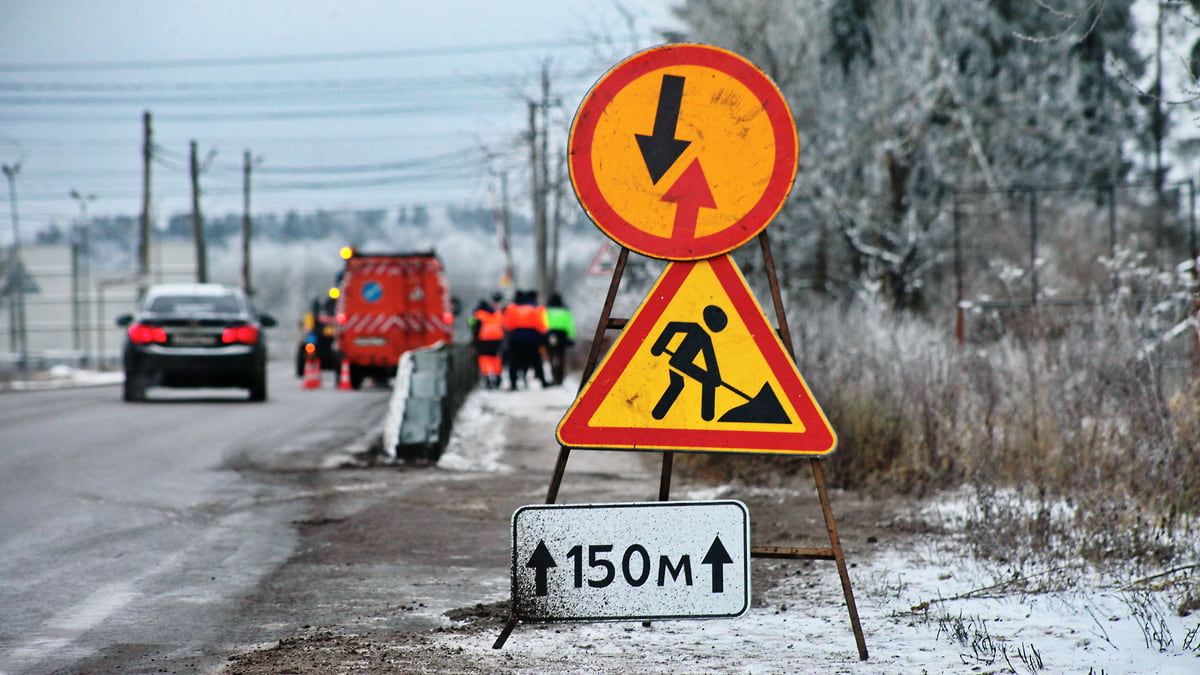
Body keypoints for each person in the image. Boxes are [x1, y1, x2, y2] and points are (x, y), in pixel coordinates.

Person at [502, 289, 549, 389]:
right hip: (533, 339)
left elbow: (507, 325)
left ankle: (513, 383)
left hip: (517, 339)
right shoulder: (536, 308)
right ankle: (543, 382)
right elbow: (541, 325)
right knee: (536, 361)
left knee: (514, 361)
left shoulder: (512, 308)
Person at [469, 296, 505, 389]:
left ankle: (487, 377)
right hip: (497, 340)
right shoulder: (496, 314)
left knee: (485, 359)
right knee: (496, 359)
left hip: (484, 340)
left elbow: (473, 327)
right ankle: (497, 376)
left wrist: (474, 341)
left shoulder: (478, 315)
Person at [543, 292, 576, 386]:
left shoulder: (547, 310)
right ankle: (560, 377)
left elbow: (543, 324)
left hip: (551, 335)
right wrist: (570, 337)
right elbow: (570, 325)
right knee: (561, 356)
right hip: (562, 335)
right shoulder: (565, 311)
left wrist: (543, 336)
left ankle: (554, 375)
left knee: (552, 355)